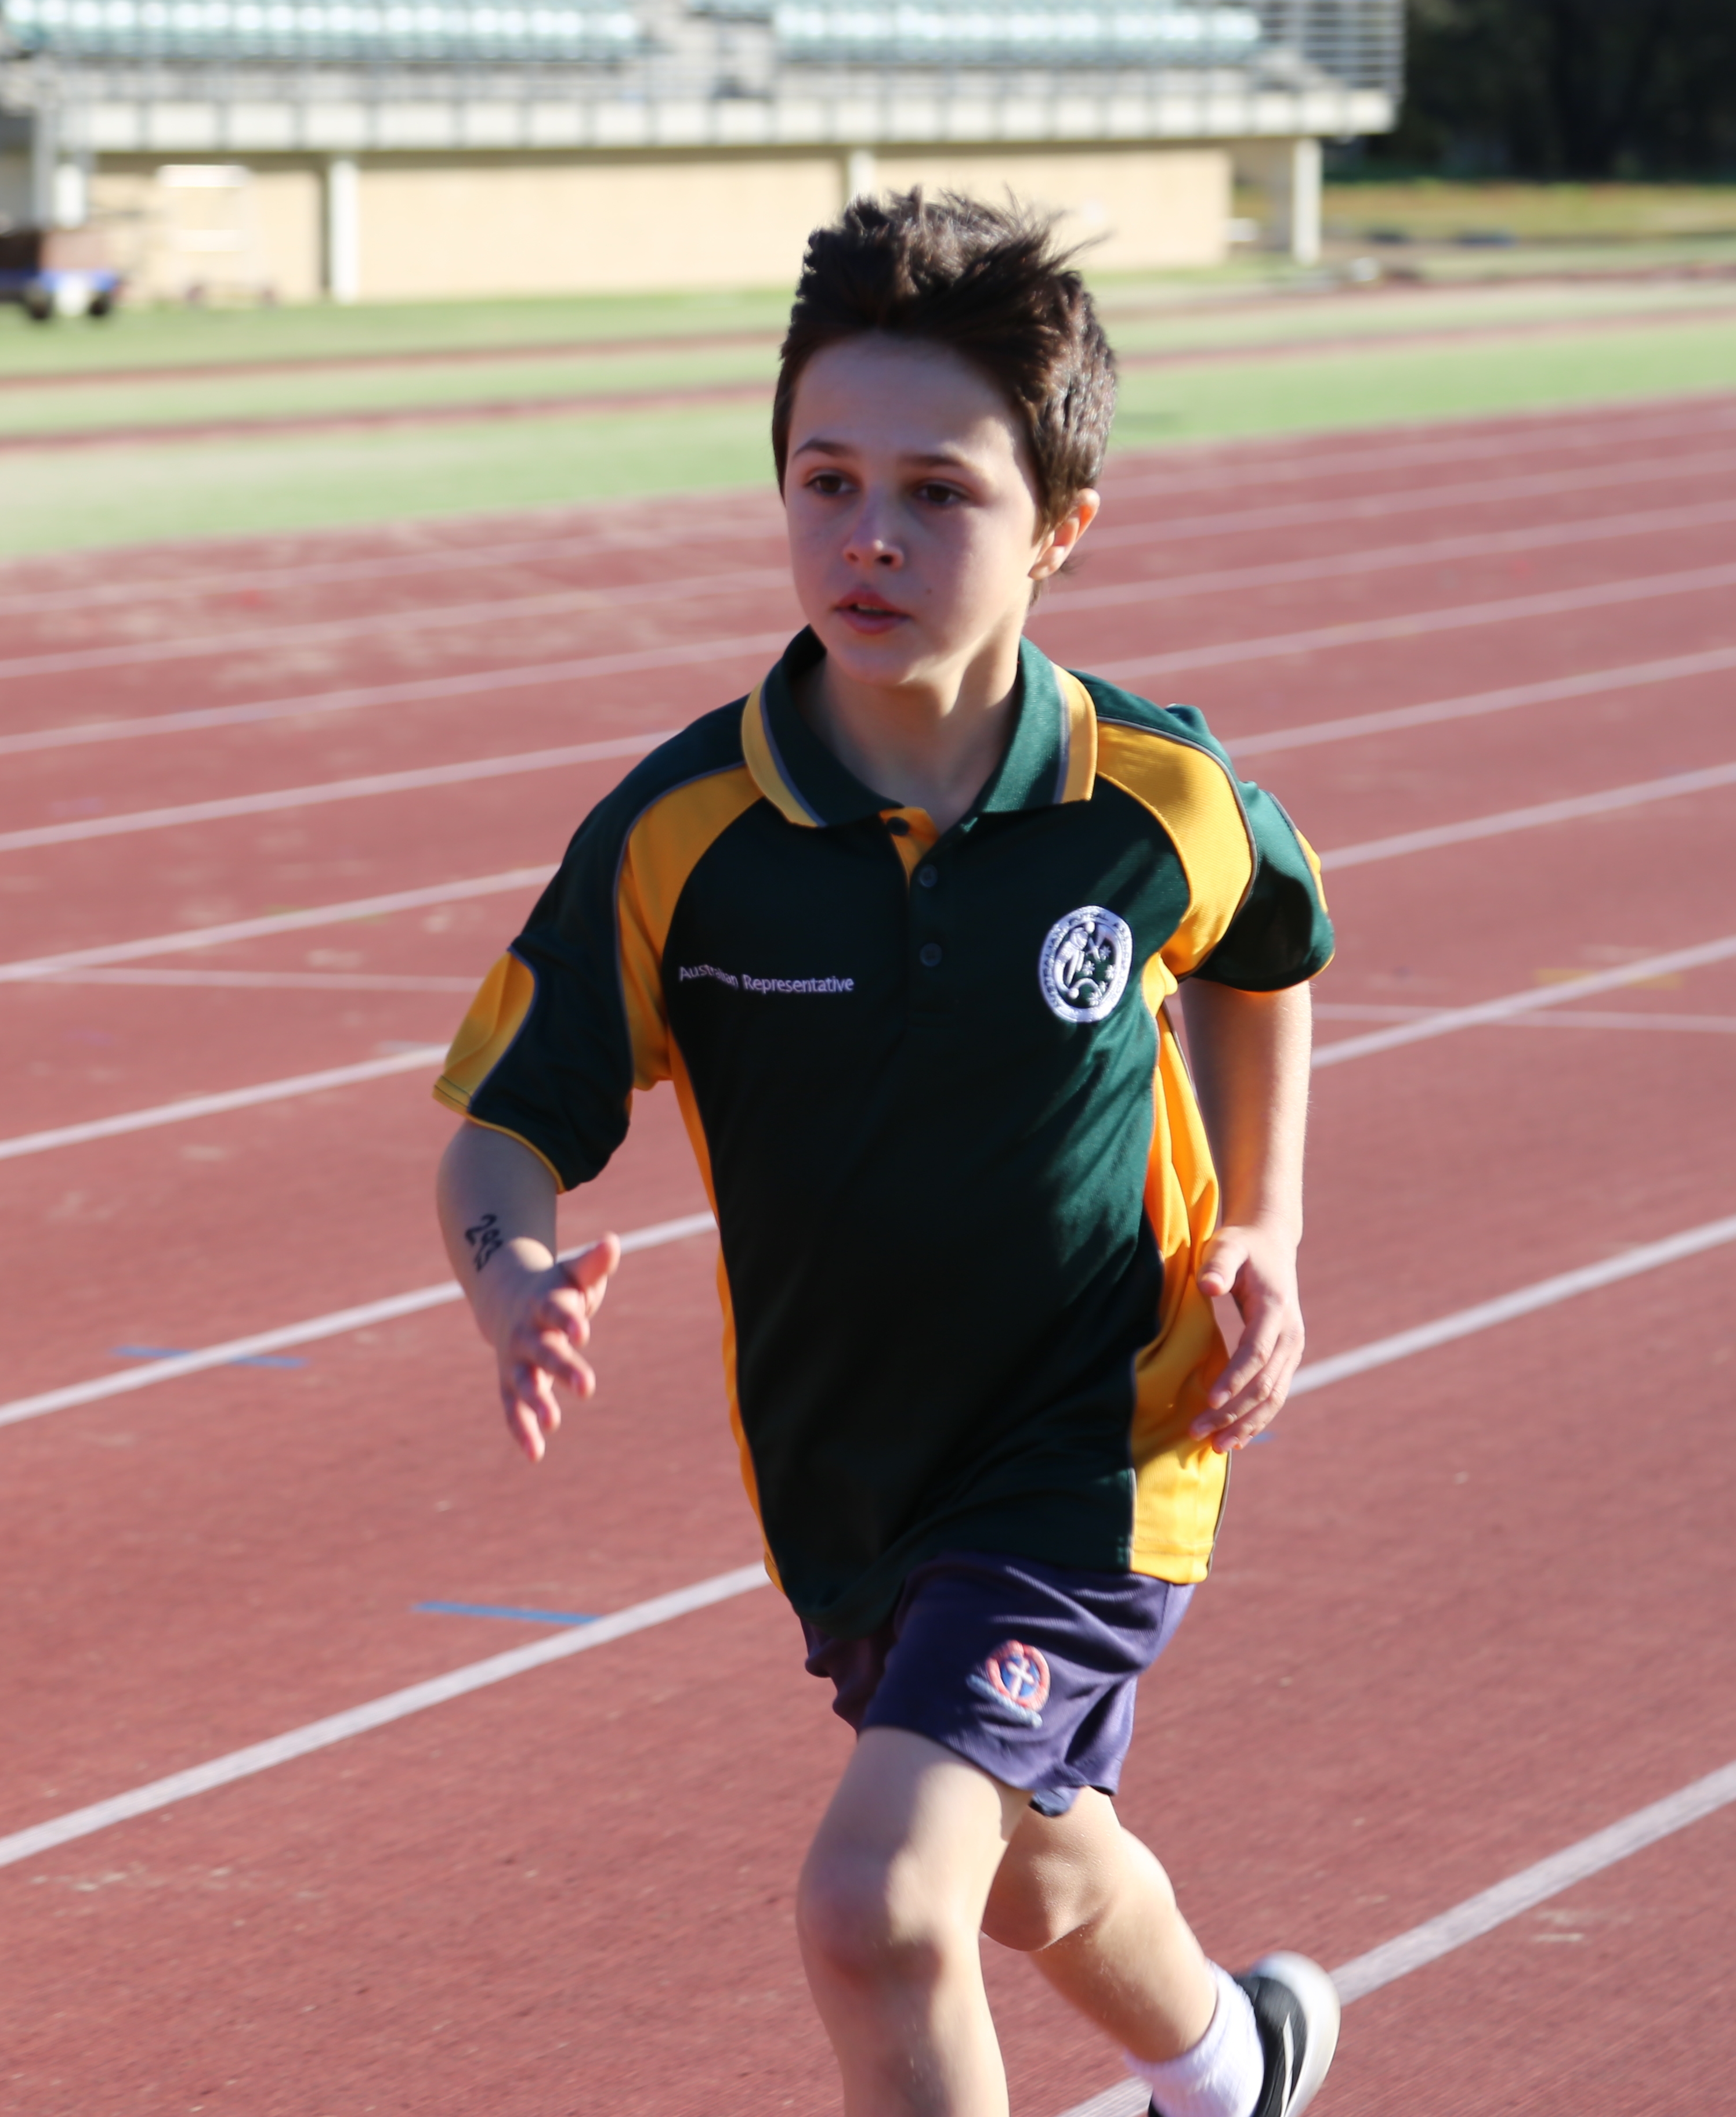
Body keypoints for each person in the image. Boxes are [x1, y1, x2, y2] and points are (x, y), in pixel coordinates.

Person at [430, 190, 1339, 2117]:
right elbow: (512, 1120)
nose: (871, 534)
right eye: (828, 479)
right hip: (851, 1475)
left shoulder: (1151, 800)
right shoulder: (684, 836)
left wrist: (1261, 1227)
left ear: (1060, 532)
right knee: (1030, 1863)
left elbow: (1266, 954)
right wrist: (509, 1272)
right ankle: (1234, 2065)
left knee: (876, 1903)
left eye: (941, 494)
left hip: (1099, 1437)